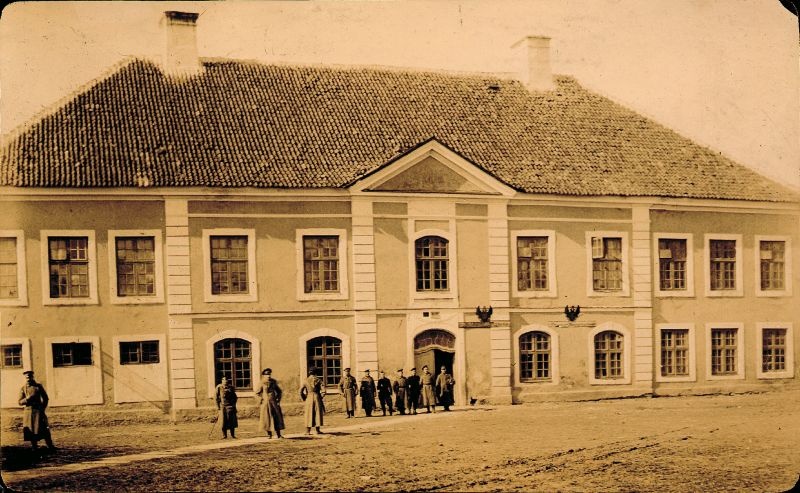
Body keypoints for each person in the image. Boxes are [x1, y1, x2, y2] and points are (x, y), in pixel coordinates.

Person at [18, 370, 56, 452]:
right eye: (26, 377)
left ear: (32, 377)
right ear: (25, 378)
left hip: (38, 411)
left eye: (30, 376)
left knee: (44, 428)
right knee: (31, 429)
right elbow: (19, 402)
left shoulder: (38, 386)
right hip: (28, 412)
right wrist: (26, 399)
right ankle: (34, 447)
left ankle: (50, 446)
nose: (28, 378)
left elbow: (45, 398)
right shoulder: (23, 388)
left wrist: (42, 408)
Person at [255, 368, 285, 439]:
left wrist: (278, 400)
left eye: (269, 374)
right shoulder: (261, 383)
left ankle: (279, 434)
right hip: (265, 403)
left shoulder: (273, 382)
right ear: (264, 375)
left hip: (273, 402)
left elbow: (279, 391)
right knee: (266, 419)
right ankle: (269, 434)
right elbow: (257, 393)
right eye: (266, 374)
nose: (268, 376)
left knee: (276, 418)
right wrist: (261, 400)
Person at [300, 368, 325, 435]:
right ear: (316, 373)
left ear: (309, 373)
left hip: (309, 397)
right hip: (317, 397)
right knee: (317, 413)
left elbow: (300, 391)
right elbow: (323, 391)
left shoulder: (305, 380)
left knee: (309, 413)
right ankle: (318, 430)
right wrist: (321, 397)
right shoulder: (319, 380)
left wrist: (304, 398)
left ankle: (308, 431)